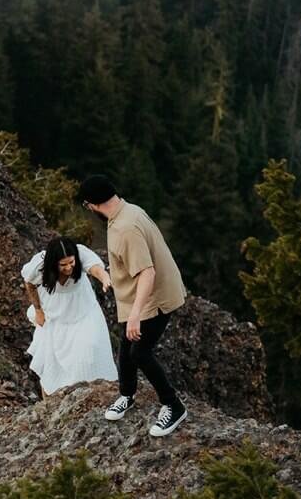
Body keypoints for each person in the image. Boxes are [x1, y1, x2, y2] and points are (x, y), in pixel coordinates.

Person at [80, 175, 189, 437]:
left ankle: (173, 406)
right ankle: (127, 395)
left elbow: (147, 273)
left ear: (92, 205)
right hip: (137, 296)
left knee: (140, 352)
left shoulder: (124, 229)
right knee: (126, 348)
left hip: (155, 298)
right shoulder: (127, 210)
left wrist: (135, 316)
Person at [18, 235, 118, 394]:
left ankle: (93, 393)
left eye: (71, 262)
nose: (69, 268)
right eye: (63, 265)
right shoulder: (39, 265)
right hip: (54, 316)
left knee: (88, 350)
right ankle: (50, 404)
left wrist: (105, 278)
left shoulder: (81, 253)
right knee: (50, 359)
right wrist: (38, 310)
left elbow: (95, 268)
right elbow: (29, 283)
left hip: (84, 312)